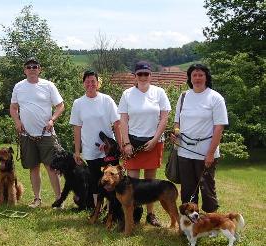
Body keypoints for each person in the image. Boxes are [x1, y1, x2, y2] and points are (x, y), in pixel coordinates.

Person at [117, 61, 171, 227]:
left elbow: (164, 118)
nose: (143, 77)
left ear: (151, 75)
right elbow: (123, 120)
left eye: (146, 74)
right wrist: (126, 143)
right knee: (131, 183)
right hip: (132, 143)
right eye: (139, 74)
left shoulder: (159, 92)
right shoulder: (127, 94)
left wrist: (155, 139)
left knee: (150, 181)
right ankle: (132, 215)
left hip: (153, 142)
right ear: (135, 76)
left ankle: (151, 214)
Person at [10, 57, 64, 208]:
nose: (32, 69)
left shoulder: (48, 85)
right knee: (33, 167)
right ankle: (37, 199)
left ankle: (59, 200)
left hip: (46, 134)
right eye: (29, 67)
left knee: (51, 167)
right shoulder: (19, 86)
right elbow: (13, 108)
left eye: (35, 66)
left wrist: (52, 120)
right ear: (24, 70)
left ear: (40, 69)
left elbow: (60, 106)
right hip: (27, 135)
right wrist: (17, 122)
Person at [173, 63, 228, 213]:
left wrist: (210, 153)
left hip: (206, 153)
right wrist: (176, 132)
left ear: (206, 77)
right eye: (194, 75)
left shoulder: (215, 98)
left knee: (207, 188)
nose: (197, 78)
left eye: (200, 75)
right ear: (190, 78)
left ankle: (211, 223)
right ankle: (189, 224)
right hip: (184, 152)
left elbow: (219, 127)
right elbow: (177, 121)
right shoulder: (183, 96)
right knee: (188, 189)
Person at [69, 70, 121, 207]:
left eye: (93, 81)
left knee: (112, 179)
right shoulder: (78, 103)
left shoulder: (107, 100)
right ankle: (97, 208)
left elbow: (117, 124)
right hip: (90, 150)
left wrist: (121, 146)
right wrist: (77, 151)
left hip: (108, 150)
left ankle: (112, 208)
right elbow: (77, 128)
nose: (90, 84)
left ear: (98, 83)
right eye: (87, 81)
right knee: (95, 180)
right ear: (83, 84)